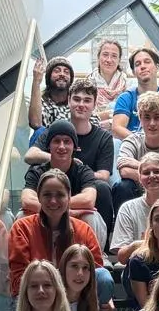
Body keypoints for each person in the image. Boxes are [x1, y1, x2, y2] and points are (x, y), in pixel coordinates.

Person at [25, 91, 117, 233]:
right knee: (22, 215)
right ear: (48, 146)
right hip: (55, 212)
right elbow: (26, 200)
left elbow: (89, 199)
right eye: (56, 141)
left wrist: (56, 207)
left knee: (93, 213)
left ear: (75, 147)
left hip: (71, 202)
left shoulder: (84, 170)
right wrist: (62, 210)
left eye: (67, 142)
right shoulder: (37, 170)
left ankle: (98, 253)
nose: (61, 146)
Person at [7, 168, 107, 297]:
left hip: (75, 299)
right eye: (47, 195)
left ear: (69, 197)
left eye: (60, 195)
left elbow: (95, 272)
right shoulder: (22, 228)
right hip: (36, 300)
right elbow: (18, 281)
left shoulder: (84, 229)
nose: (53, 201)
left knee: (104, 277)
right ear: (38, 197)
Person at [111, 47, 159, 138]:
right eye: (137, 64)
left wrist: (152, 139)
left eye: (147, 62)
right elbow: (117, 128)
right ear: (134, 72)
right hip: (133, 147)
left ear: (157, 67)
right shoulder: (126, 98)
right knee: (116, 143)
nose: (142, 66)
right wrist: (140, 141)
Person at [61, 243, 104, 311]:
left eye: (85, 268)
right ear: (63, 269)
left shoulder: (93, 305)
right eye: (74, 266)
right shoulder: (50, 302)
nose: (80, 273)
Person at [28, 55, 74, 129]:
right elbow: (35, 123)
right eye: (57, 71)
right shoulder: (41, 103)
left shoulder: (76, 103)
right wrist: (36, 81)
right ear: (48, 77)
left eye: (66, 72)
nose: (62, 74)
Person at [92, 38, 130, 122]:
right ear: (98, 57)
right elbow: (85, 116)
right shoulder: (88, 84)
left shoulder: (128, 85)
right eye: (105, 54)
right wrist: (114, 113)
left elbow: (131, 113)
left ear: (119, 60)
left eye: (114, 56)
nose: (109, 60)